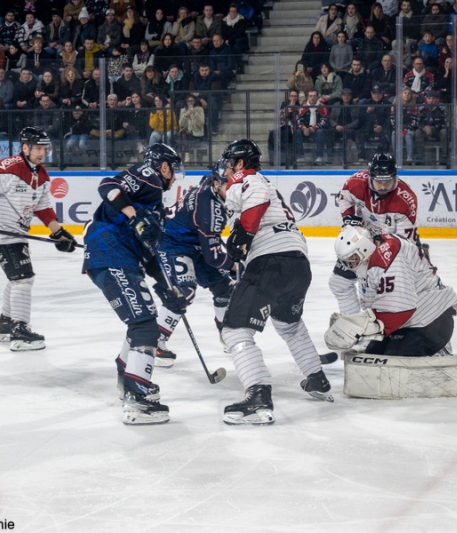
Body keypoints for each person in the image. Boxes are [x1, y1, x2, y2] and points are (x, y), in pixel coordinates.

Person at [220, 139, 333, 426]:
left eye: (229, 162)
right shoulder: (264, 183)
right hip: (297, 264)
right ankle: (316, 378)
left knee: (234, 331)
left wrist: (243, 236)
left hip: (270, 263)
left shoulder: (249, 179)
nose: (226, 168)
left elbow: (257, 200)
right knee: (289, 324)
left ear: (241, 163)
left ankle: (258, 393)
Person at [82, 143, 184, 425]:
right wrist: (132, 214)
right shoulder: (149, 177)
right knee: (145, 325)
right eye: (173, 170)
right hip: (110, 253)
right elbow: (108, 185)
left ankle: (126, 374)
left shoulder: (155, 207)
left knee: (143, 321)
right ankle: (137, 397)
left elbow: (150, 254)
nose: (174, 177)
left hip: (122, 258)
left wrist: (167, 287)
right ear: (163, 166)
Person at [0, 127, 78, 350]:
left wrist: (58, 232)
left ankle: (6, 325)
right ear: (25, 148)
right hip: (1, 230)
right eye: (37, 148)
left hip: (17, 233)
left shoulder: (43, 175)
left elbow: (43, 208)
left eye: (44, 149)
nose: (42, 153)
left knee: (17, 278)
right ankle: (20, 330)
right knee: (23, 278)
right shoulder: (9, 168)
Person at [152, 159, 237, 367]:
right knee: (184, 292)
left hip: (195, 242)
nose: (235, 192)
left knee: (225, 289)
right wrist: (236, 267)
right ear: (217, 185)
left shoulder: (211, 183)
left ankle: (227, 335)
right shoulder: (210, 208)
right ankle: (154, 344)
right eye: (230, 187)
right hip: (172, 243)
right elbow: (214, 257)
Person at [329, 225, 457, 357]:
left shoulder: (389, 256)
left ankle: (439, 352)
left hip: (431, 320)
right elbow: (373, 306)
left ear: (364, 248)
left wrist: (363, 330)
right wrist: (355, 323)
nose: (351, 265)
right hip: (407, 322)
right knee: (371, 356)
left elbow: (401, 308)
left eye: (353, 258)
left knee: (391, 360)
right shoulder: (368, 259)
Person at [328, 153, 419, 315]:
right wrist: (350, 219)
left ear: (395, 178)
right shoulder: (356, 183)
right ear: (370, 178)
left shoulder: (406, 200)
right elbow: (344, 199)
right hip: (361, 243)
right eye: (378, 182)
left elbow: (405, 243)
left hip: (389, 249)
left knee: (375, 296)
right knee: (339, 283)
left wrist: (380, 247)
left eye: (387, 182)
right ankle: (354, 323)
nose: (383, 187)